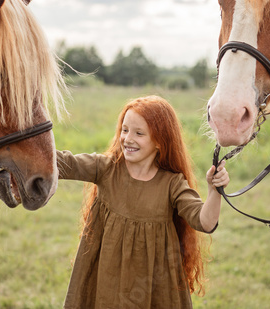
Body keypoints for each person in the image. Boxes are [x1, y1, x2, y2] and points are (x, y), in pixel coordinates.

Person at [57, 95, 229, 309]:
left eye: (139, 133)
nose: (128, 138)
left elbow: (205, 221)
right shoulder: (106, 168)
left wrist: (214, 191)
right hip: (105, 279)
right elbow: (65, 163)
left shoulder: (171, 183)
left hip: (153, 286)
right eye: (125, 130)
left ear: (159, 141)